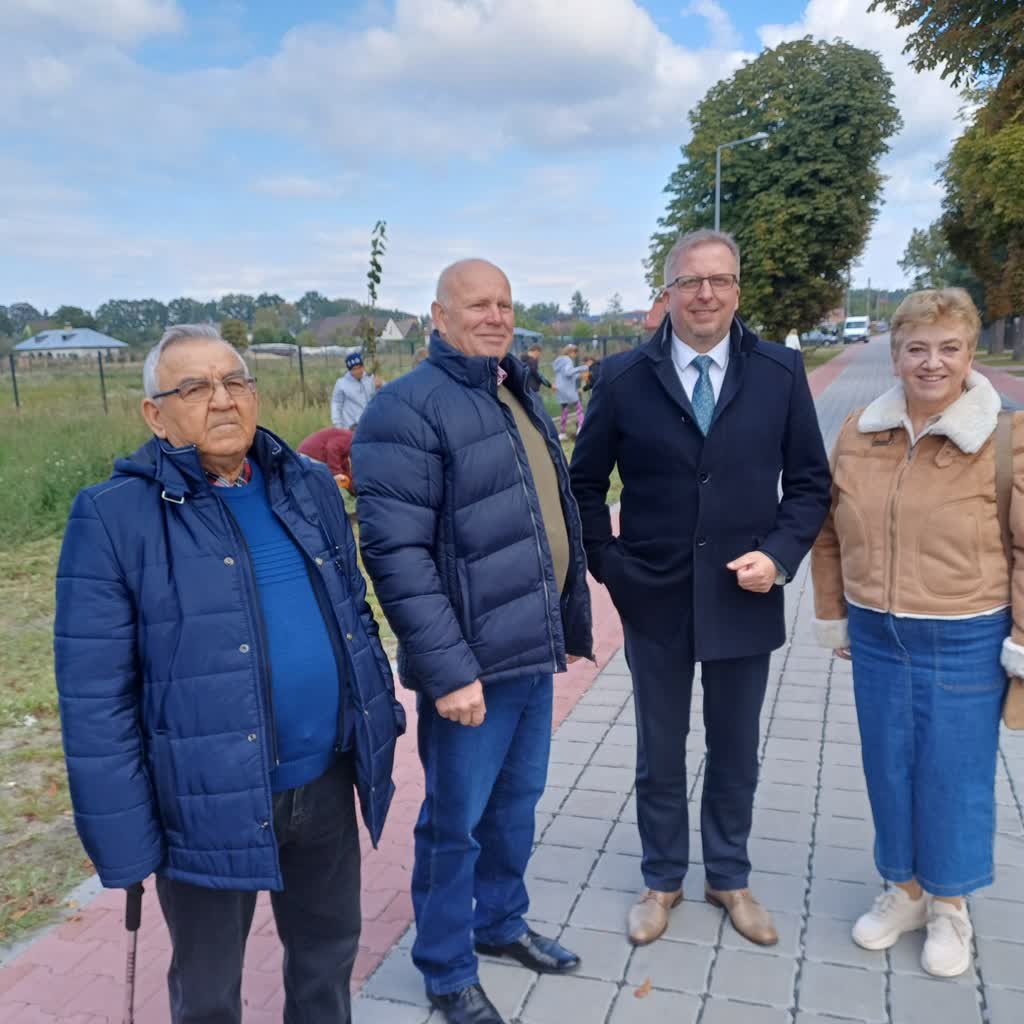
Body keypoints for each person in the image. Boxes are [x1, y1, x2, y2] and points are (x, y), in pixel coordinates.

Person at [54, 324, 405, 1024]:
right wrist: (124, 840)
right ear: (156, 415)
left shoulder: (308, 485)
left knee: (327, 959)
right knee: (210, 991)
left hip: (325, 781)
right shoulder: (113, 516)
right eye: (195, 387)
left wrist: (379, 715)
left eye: (235, 381)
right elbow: (95, 700)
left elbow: (352, 612)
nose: (222, 399)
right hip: (204, 802)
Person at [570, 229, 830, 949]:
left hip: (745, 594)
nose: (705, 294)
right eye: (690, 281)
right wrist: (610, 565)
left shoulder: (779, 372)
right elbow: (582, 485)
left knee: (736, 748)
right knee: (660, 748)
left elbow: (810, 484)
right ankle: (661, 879)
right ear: (669, 292)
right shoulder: (622, 377)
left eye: (719, 280)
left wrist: (778, 557)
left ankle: (728, 876)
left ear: (738, 290)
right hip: (654, 597)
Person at [352, 259, 593, 1024]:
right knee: (454, 823)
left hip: (528, 650)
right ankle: (446, 966)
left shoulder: (511, 388)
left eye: (505, 304)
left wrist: (566, 620)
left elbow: (540, 512)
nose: (495, 316)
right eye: (478, 304)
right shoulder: (405, 409)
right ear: (438, 316)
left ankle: (499, 923)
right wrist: (450, 672)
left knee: (515, 805)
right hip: (471, 670)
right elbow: (397, 555)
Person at [811, 288, 1020, 978]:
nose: (933, 362)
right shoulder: (859, 432)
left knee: (954, 776)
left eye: (949, 348)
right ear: (895, 356)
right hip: (876, 633)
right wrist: (834, 613)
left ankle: (949, 907)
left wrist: (1021, 641)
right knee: (889, 767)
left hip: (966, 634)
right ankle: (903, 891)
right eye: (917, 349)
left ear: (970, 354)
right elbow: (828, 531)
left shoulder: (1006, 438)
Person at [298, 425, 355, 490]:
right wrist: (337, 473)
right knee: (325, 486)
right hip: (310, 456)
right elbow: (332, 448)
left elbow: (344, 466)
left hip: (305, 457)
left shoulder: (347, 441)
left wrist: (353, 488)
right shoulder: (349, 437)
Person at [331, 351, 379, 429]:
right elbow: (336, 404)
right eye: (354, 369)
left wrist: (381, 385)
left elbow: (383, 395)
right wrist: (337, 425)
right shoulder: (341, 383)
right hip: (352, 427)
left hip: (371, 423)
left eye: (359, 367)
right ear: (349, 370)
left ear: (363, 367)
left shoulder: (370, 378)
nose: (358, 371)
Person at [553, 343, 587, 439]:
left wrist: (579, 376)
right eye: (575, 353)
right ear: (571, 352)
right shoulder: (568, 360)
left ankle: (562, 433)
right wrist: (582, 368)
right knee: (579, 409)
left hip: (560, 389)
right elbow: (568, 373)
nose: (575, 355)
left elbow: (566, 375)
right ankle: (581, 428)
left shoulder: (559, 361)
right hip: (568, 389)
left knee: (564, 410)